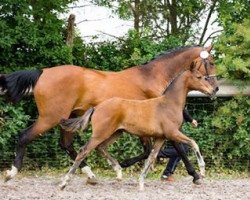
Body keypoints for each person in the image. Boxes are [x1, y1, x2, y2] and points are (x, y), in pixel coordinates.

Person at [157, 108, 198, 182]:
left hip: (173, 125)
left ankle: (166, 173)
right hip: (171, 126)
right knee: (183, 149)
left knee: (182, 149)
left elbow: (181, 108)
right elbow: (180, 107)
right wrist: (191, 120)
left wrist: (190, 120)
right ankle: (166, 172)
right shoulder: (174, 97)